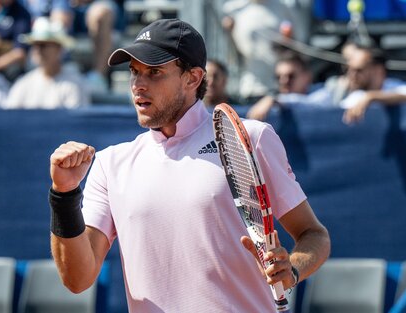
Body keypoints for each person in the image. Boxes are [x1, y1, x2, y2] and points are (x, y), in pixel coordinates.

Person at [48, 18, 330, 312]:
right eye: (134, 72)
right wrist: (64, 194)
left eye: (154, 72)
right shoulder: (110, 164)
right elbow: (77, 279)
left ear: (193, 78)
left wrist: (293, 269)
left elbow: (314, 235)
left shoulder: (251, 138)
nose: (138, 85)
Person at [222, 0, 304, 103]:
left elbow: (298, 46)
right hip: (249, 87)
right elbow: (232, 51)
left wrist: (287, 41)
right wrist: (228, 32)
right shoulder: (233, 8)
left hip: (279, 89)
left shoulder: (285, 7)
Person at [4, 17, 90, 109]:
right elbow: (10, 117)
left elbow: (76, 122)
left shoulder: (74, 85)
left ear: (59, 49)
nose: (38, 50)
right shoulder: (23, 84)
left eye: (43, 45)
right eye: (35, 45)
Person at [339, 45, 406, 124]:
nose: (352, 75)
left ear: (378, 70)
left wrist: (371, 97)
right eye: (348, 69)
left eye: (359, 70)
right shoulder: (356, 97)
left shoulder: (396, 86)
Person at [246, 51, 318, 121]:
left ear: (307, 77)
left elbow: (312, 103)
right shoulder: (271, 102)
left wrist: (273, 99)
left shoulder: (321, 93)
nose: (283, 81)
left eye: (290, 76)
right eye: (278, 77)